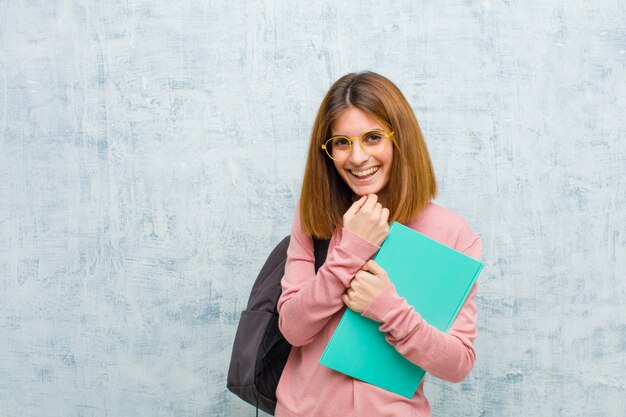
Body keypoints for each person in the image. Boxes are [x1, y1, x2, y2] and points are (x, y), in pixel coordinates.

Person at [275, 71, 482, 417]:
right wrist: (350, 250)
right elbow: (293, 329)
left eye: (372, 138)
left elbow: (457, 363)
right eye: (341, 142)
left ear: (399, 139)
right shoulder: (314, 215)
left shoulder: (452, 233)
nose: (357, 158)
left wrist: (387, 308)